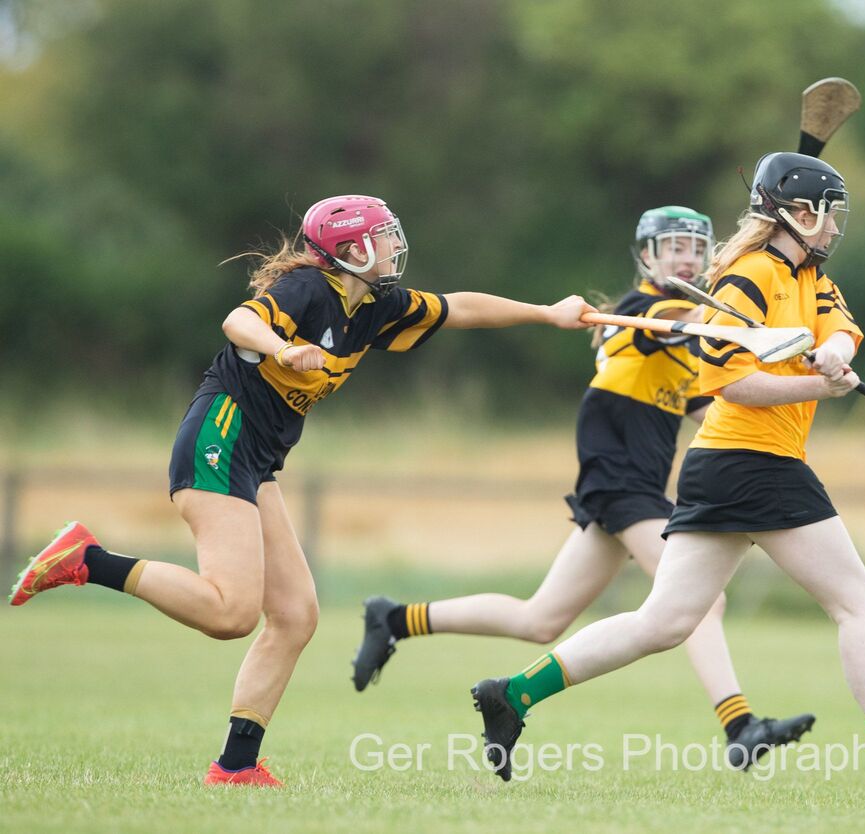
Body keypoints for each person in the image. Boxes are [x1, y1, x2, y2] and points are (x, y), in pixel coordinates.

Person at [8, 195, 594, 787]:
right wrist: (283, 347)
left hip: (255, 460)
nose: (394, 245)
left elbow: (459, 307)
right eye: (383, 236)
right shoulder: (308, 289)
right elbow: (238, 322)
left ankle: (236, 766)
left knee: (294, 616)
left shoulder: (376, 306)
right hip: (221, 439)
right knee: (230, 613)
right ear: (351, 249)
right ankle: (87, 559)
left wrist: (548, 314)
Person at [466, 153, 865, 805]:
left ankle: (512, 694)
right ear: (797, 214)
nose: (835, 228)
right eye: (828, 215)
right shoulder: (747, 277)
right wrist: (816, 387)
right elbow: (727, 382)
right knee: (856, 604)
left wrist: (833, 355)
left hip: (722, 466)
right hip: (755, 459)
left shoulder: (810, 274)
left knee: (664, 623)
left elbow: (841, 327)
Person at [350, 206, 815, 771]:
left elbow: (712, 409)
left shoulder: (682, 339)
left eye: (697, 248)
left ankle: (395, 619)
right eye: (674, 247)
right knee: (702, 601)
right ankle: (740, 726)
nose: (688, 258)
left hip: (628, 485)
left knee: (540, 619)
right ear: (647, 257)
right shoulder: (645, 311)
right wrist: (753, 314)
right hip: (619, 480)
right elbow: (688, 316)